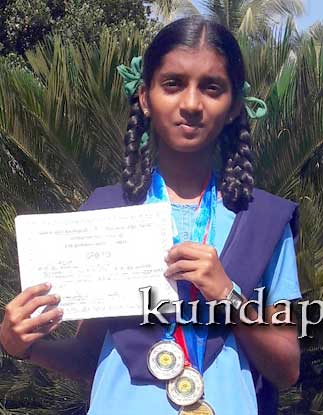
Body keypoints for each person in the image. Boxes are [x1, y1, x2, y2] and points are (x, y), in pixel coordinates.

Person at [0, 16, 300, 415]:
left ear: (233, 107)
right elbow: (89, 357)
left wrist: (228, 295)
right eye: (173, 84)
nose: (191, 104)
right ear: (145, 97)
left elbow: (286, 368)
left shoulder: (264, 221)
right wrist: (21, 346)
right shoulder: (106, 214)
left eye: (211, 87)